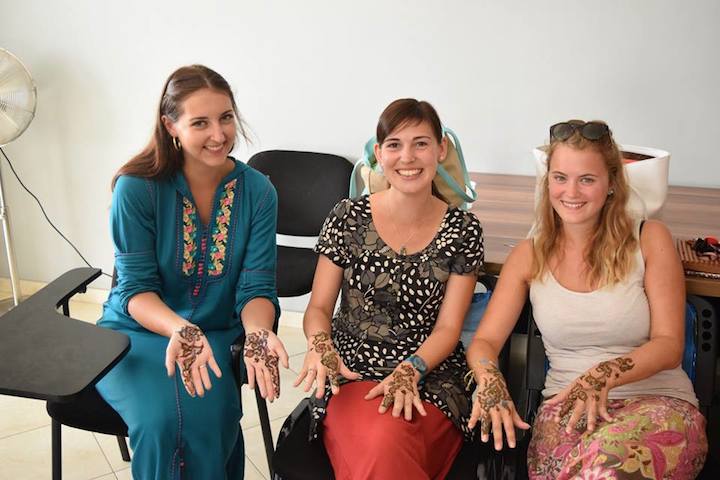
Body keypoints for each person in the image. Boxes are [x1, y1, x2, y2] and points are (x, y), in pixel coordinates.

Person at [466, 120, 707, 478]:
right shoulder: (528, 255)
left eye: (587, 179)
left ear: (611, 184)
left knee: (605, 471)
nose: (571, 192)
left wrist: (601, 375)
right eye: (560, 178)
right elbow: (485, 341)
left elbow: (669, 345)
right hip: (567, 411)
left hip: (656, 402)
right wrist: (490, 380)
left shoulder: (649, 238)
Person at [96, 64, 288, 480]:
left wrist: (257, 332)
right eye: (200, 122)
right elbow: (135, 289)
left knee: (209, 420)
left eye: (226, 118)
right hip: (135, 335)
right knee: (159, 424)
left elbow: (256, 286)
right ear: (171, 126)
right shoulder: (136, 188)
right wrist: (180, 329)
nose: (218, 134)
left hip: (214, 334)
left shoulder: (258, 192)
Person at [292, 98, 484, 479]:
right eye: (394, 145)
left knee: (390, 446)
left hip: (431, 375)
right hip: (353, 371)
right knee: (383, 444)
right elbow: (319, 308)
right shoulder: (348, 217)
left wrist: (411, 369)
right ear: (379, 154)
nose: (407, 157)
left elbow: (449, 328)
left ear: (441, 149)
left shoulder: (463, 230)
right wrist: (320, 345)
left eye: (421, 143)